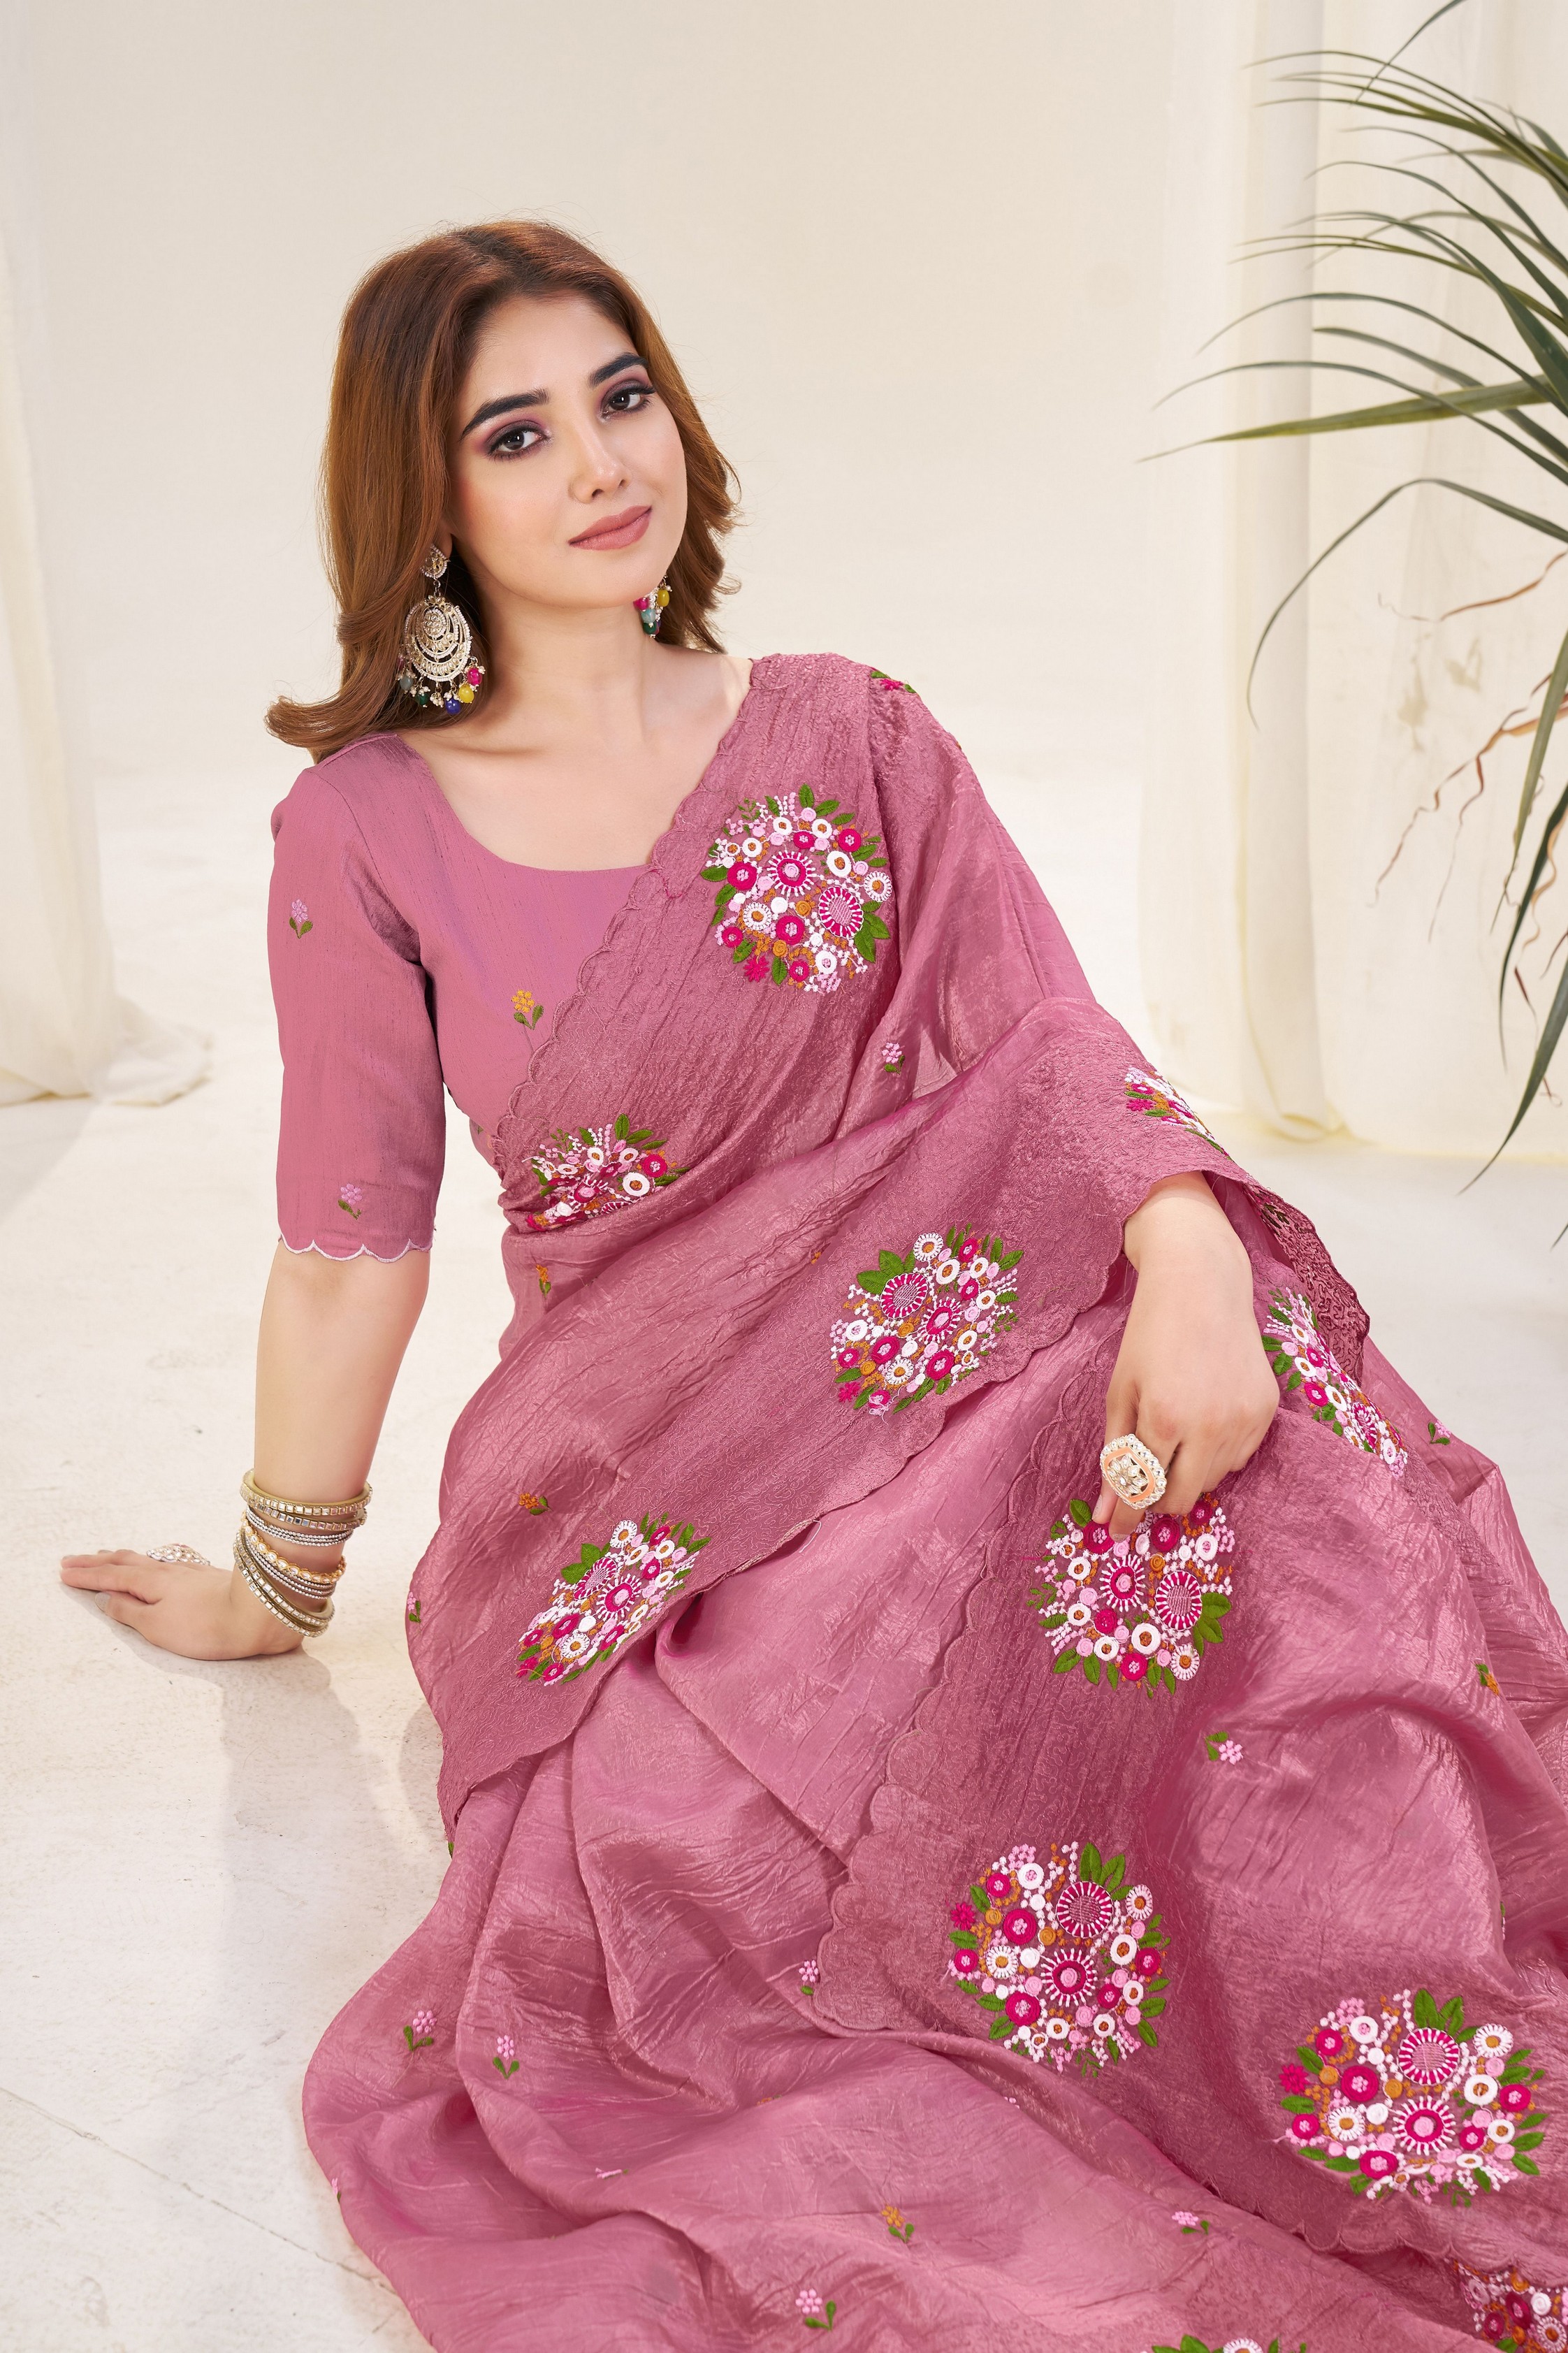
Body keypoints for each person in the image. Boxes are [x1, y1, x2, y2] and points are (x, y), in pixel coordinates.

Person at [61, 222, 1568, 2353]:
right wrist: (277, 1580)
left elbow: (1050, 1048)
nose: (603, 461)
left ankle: (1397, 2078)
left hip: (964, 1314)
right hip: (647, 1460)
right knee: (721, 1836)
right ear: (429, 498)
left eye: (621, 395)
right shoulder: (368, 828)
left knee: (1263, 1494)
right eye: (517, 432)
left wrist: (1188, 1258)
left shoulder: (851, 733)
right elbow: (347, 1238)